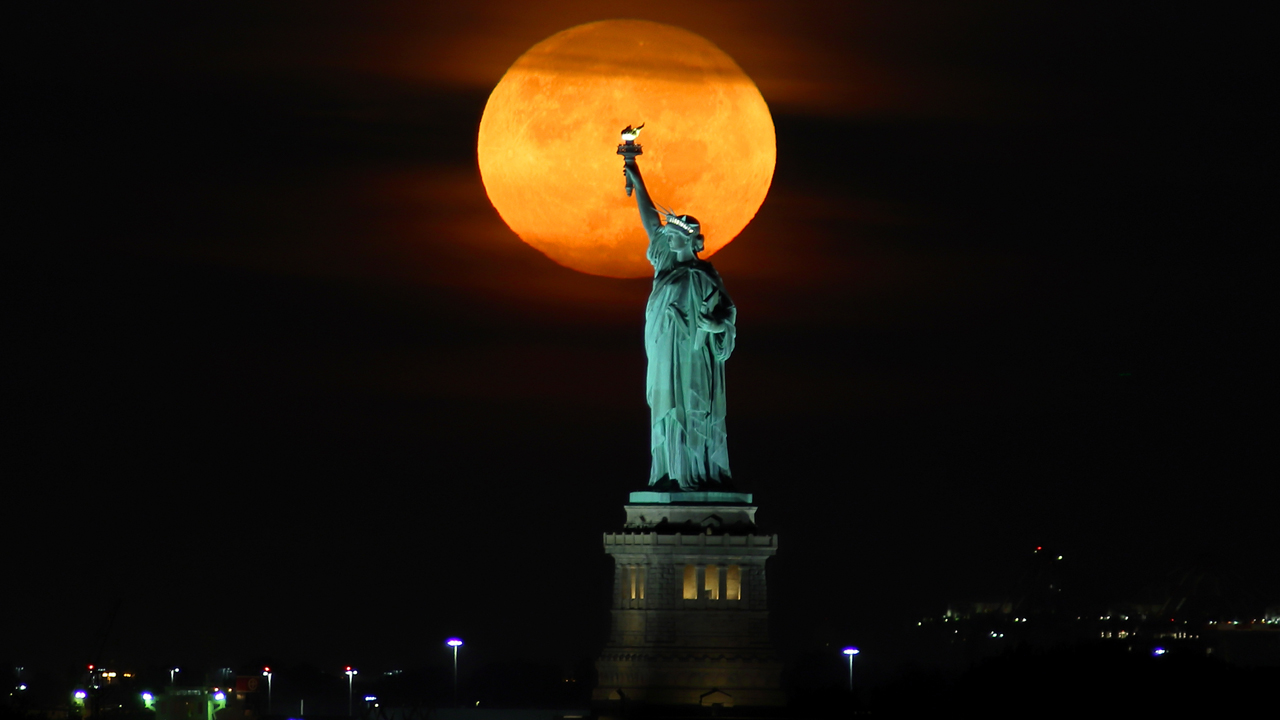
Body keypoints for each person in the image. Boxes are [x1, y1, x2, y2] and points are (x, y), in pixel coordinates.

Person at [623, 160, 737, 491]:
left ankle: (698, 471)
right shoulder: (665, 265)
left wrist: (716, 325)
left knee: (693, 406)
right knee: (667, 408)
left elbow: (728, 314)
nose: (667, 238)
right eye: (668, 235)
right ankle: (669, 471)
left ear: (688, 241)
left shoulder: (705, 275)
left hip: (695, 356)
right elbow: (649, 222)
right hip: (663, 351)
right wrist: (635, 173)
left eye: (672, 235)